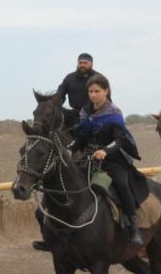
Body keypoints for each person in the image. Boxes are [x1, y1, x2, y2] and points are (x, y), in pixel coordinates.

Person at [32, 53, 104, 252]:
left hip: (94, 114)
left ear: (91, 64)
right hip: (74, 114)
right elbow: (60, 95)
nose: (82, 65)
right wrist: (51, 104)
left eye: (86, 62)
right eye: (80, 62)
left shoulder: (97, 79)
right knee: (58, 117)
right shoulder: (69, 78)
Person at [72, 74, 148, 246]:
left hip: (112, 158)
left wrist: (105, 150)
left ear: (106, 91)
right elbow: (81, 138)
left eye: (97, 91)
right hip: (89, 158)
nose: (93, 95)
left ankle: (133, 227)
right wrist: (71, 147)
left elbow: (120, 139)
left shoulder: (114, 112)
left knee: (121, 183)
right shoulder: (85, 112)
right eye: (90, 91)